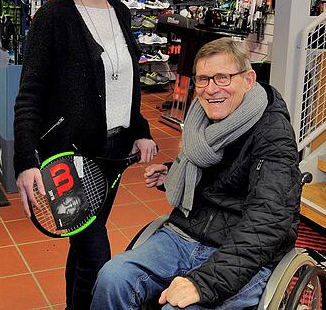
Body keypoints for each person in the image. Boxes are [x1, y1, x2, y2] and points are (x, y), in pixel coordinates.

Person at [92, 38, 302, 310]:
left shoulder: (273, 134)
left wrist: (203, 283)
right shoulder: (200, 119)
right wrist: (171, 173)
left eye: (222, 78)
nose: (210, 89)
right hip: (185, 234)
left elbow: (269, 220)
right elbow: (216, 175)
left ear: (248, 80)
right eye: (203, 79)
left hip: (242, 254)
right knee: (112, 278)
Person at [13, 0, 158, 310]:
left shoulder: (121, 12)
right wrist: (26, 161)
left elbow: (126, 82)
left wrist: (140, 129)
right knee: (96, 257)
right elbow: (29, 95)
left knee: (82, 250)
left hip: (112, 153)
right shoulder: (54, 17)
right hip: (68, 157)